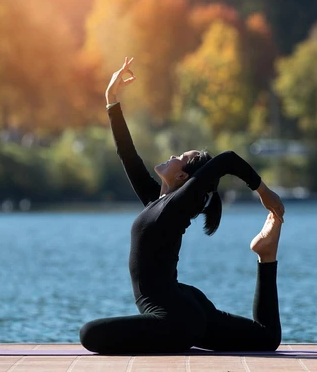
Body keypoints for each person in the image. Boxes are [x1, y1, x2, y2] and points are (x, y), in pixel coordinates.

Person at [79, 57, 285, 354]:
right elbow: (128, 156)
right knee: (265, 338)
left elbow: (225, 159)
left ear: (183, 176)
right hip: (182, 305)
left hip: (174, 316)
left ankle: (266, 256)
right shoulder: (158, 202)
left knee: (89, 334)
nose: (173, 155)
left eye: (181, 157)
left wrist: (262, 191)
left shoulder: (177, 206)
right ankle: (267, 257)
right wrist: (111, 100)